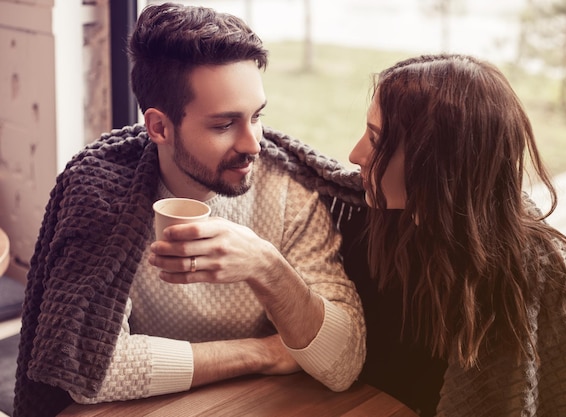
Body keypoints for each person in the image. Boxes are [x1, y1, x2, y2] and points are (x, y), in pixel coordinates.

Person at [12, 3, 365, 416]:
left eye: (257, 116)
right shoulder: (102, 195)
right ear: (160, 127)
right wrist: (263, 353)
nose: (253, 143)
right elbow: (90, 370)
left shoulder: (289, 190)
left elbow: (343, 365)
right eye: (223, 124)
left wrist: (266, 266)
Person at [345, 54, 566, 416]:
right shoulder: (369, 224)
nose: (354, 154)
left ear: (436, 162)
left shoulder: (552, 291)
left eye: (376, 140)